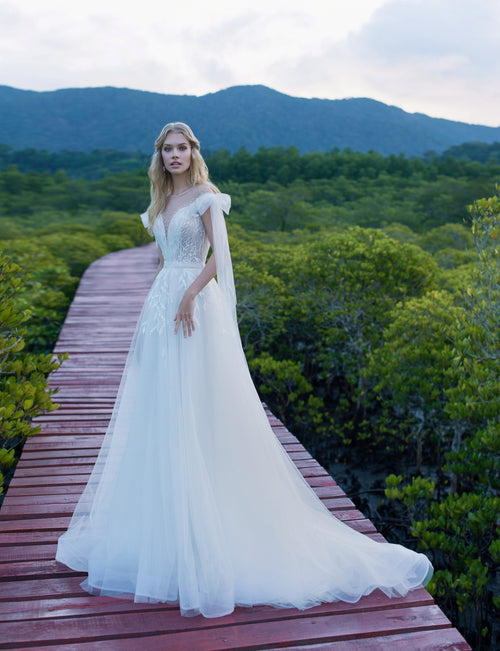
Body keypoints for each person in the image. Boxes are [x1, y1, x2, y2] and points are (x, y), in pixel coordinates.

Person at [56, 122, 433, 619]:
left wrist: (189, 295)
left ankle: (213, 518)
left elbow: (220, 260)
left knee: (201, 404)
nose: (175, 156)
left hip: (195, 307)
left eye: (182, 148)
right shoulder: (160, 200)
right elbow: (165, 260)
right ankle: (169, 524)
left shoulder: (207, 196)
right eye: (167, 150)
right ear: (160, 156)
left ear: (194, 152)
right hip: (160, 308)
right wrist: (165, 299)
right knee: (162, 409)